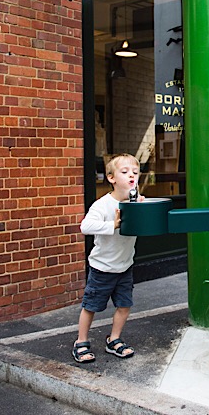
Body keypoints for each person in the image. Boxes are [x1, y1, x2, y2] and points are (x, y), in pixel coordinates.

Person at [72, 153, 145, 363]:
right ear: (111, 178)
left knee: (124, 305)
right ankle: (81, 342)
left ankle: (114, 339)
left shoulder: (136, 202)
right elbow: (85, 227)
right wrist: (111, 225)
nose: (131, 175)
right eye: (125, 172)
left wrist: (143, 209)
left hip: (125, 267)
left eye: (135, 172)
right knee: (91, 306)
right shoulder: (102, 205)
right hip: (102, 268)